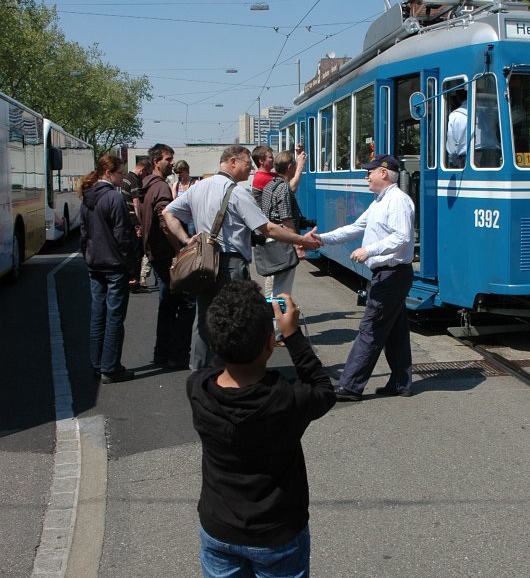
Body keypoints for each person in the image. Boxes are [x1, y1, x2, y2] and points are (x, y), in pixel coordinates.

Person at [186, 281, 336, 578]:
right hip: (279, 533)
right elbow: (324, 390)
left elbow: (211, 364)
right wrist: (294, 336)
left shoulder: (198, 390)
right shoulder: (284, 399)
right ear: (270, 342)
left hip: (220, 530)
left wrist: (258, 335)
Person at [162, 144, 320, 371]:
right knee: (235, 318)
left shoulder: (198, 187)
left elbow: (168, 212)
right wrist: (302, 240)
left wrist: (186, 240)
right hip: (230, 265)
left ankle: (199, 371)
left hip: (204, 263)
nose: (251, 169)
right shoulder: (236, 193)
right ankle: (233, 371)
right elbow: (268, 228)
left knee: (205, 316)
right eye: (248, 164)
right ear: (233, 162)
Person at [314, 154, 415, 401]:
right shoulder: (380, 201)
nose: (366, 176)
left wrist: (368, 250)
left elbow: (402, 237)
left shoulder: (397, 201)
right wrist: (320, 239)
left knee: (370, 328)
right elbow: (355, 228)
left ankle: (350, 386)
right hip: (389, 275)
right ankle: (401, 383)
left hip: (392, 275)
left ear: (384, 173)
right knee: (395, 332)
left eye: (370, 172)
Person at [79, 155, 138, 384]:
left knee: (98, 314)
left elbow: (84, 233)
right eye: (120, 173)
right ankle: (110, 367)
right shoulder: (114, 198)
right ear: (108, 173)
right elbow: (123, 236)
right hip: (114, 264)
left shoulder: (88, 197)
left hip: (95, 262)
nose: (123, 178)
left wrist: (87, 255)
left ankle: (97, 363)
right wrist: (131, 266)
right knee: (114, 316)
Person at [139, 143, 195, 369]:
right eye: (168, 159)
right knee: (187, 302)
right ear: (156, 161)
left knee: (168, 304)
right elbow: (165, 221)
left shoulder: (147, 185)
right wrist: (180, 246)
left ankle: (162, 353)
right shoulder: (161, 187)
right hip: (165, 253)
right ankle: (178, 354)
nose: (172, 163)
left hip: (155, 253)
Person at [259, 149, 304, 308]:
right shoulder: (283, 187)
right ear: (290, 167)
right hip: (282, 241)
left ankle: (270, 316)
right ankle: (279, 321)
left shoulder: (269, 186)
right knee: (283, 288)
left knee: (272, 284)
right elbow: (287, 220)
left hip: (270, 238)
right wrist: (298, 245)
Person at [120, 157, 151, 290]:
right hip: (133, 218)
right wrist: (139, 223)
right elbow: (136, 202)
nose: (146, 176)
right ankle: (135, 281)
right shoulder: (134, 180)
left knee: (129, 250)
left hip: (125, 218)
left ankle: (129, 278)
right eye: (147, 173)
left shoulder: (125, 178)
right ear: (142, 170)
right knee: (137, 252)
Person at [446, 89, 467, 168]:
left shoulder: (455, 115)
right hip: (494, 153)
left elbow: (452, 146)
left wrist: (454, 163)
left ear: (458, 98)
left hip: (467, 157)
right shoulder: (488, 109)